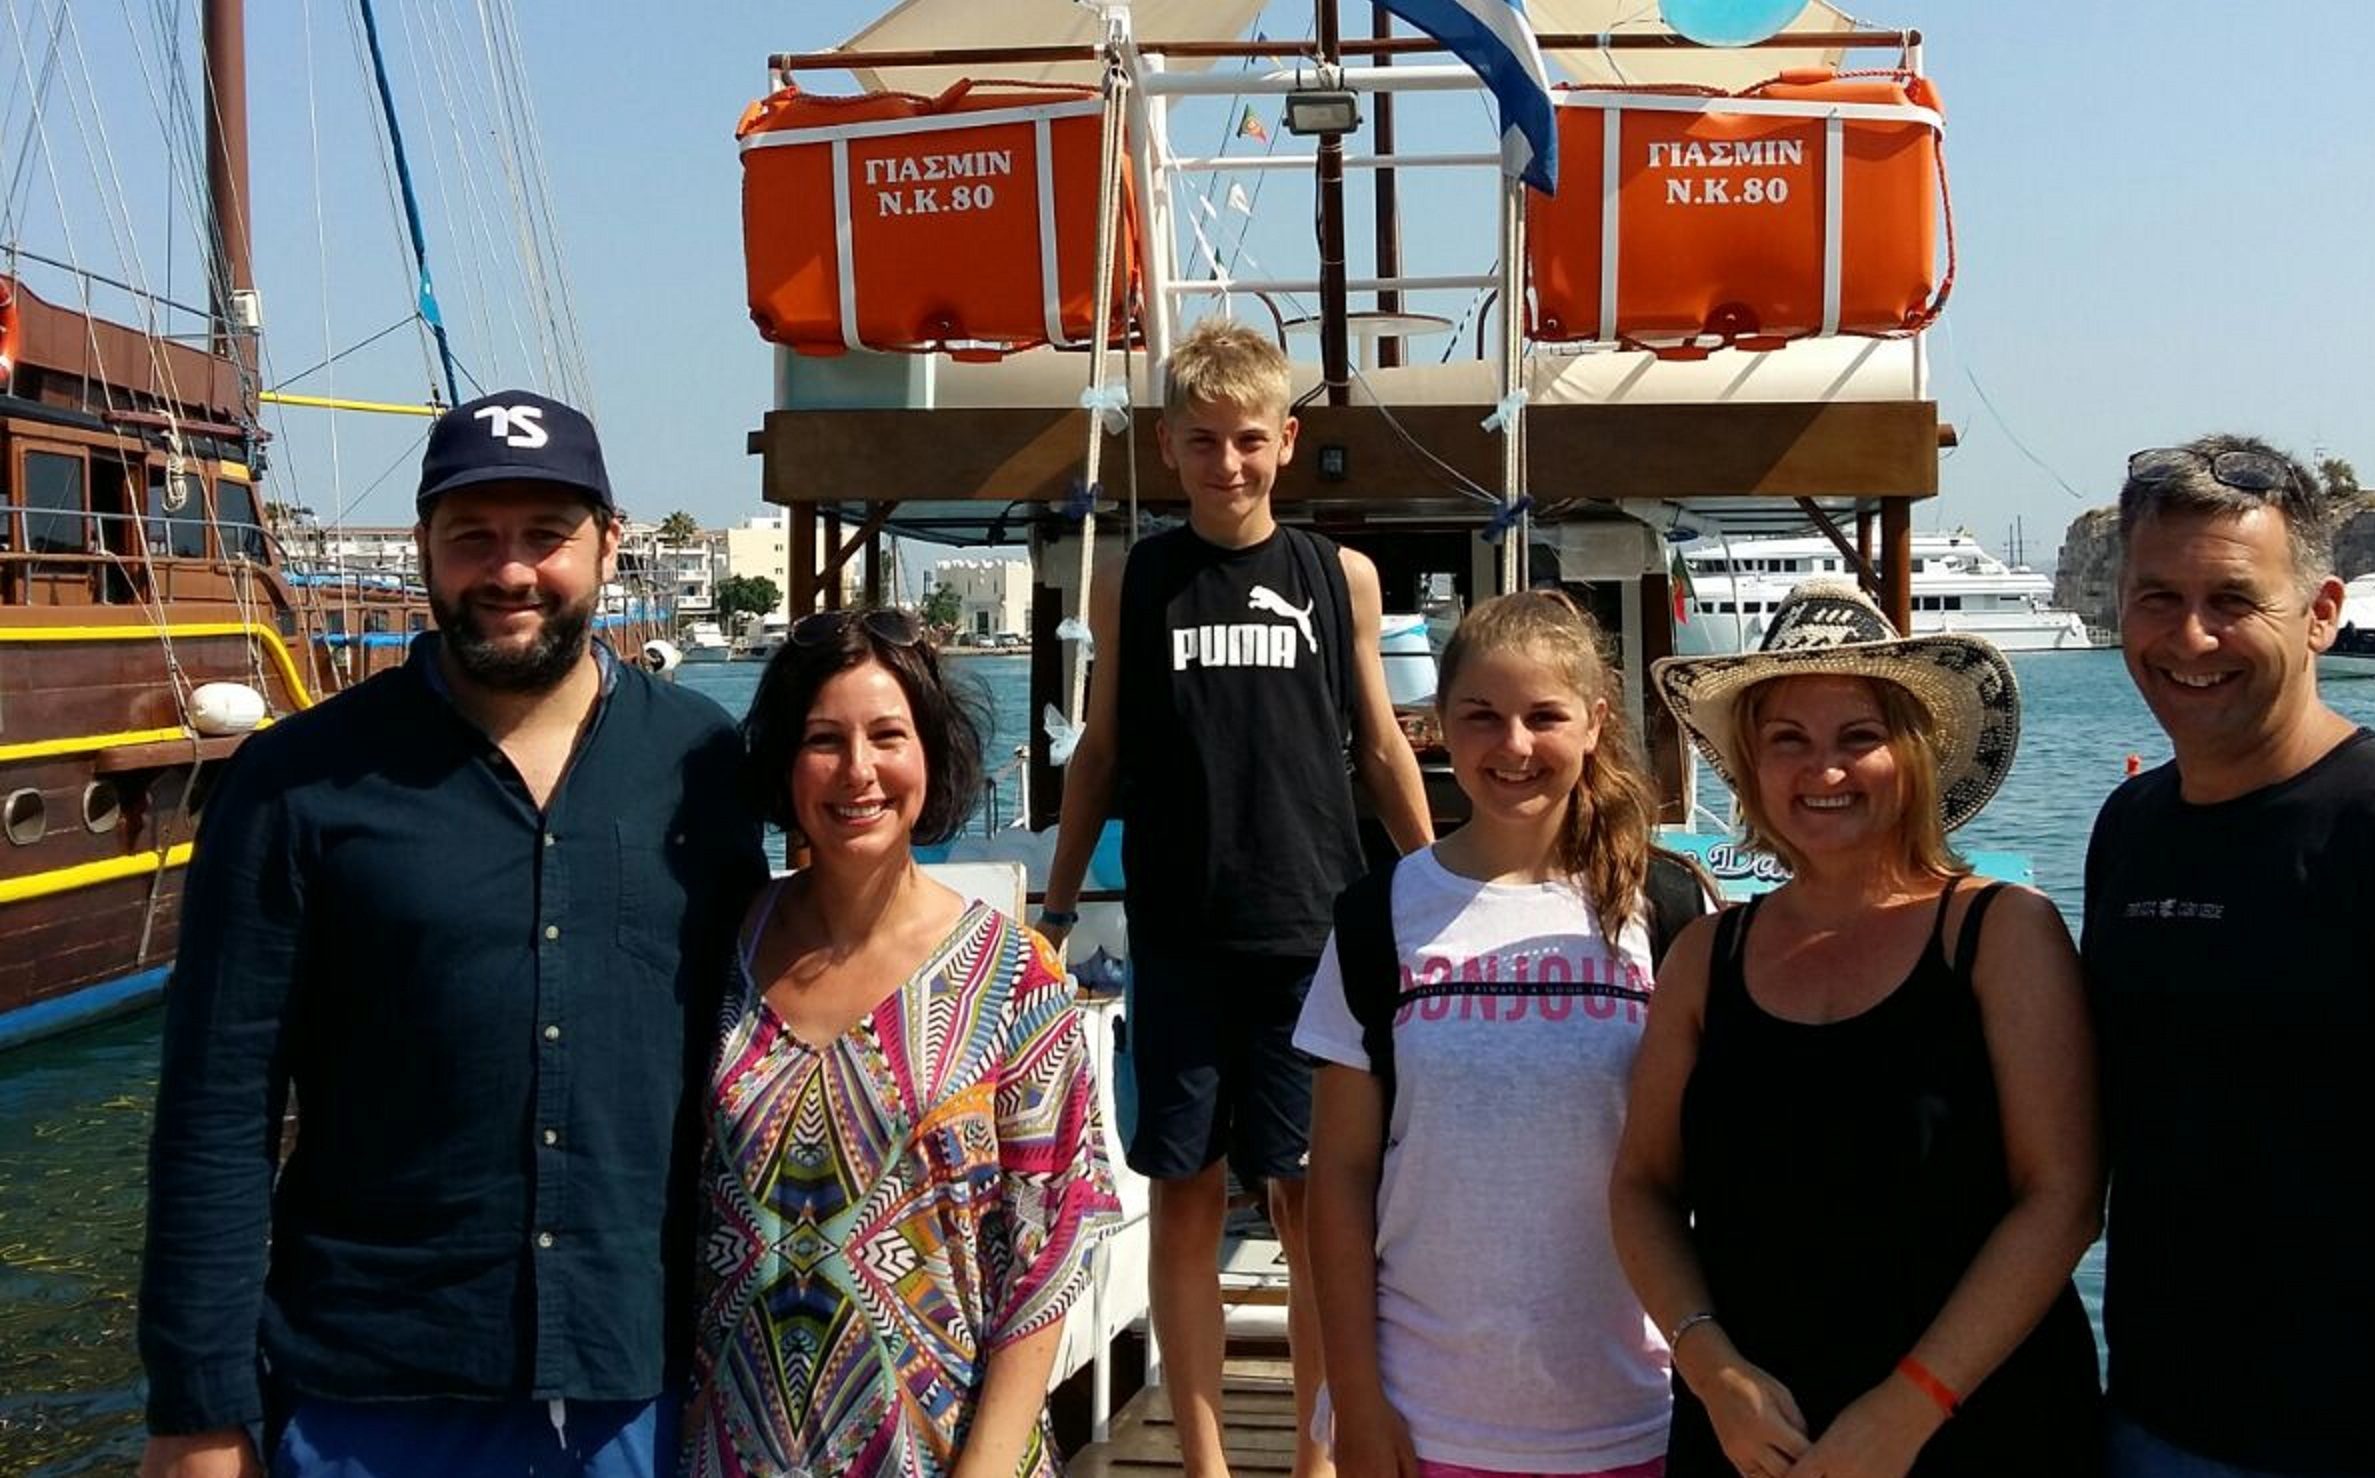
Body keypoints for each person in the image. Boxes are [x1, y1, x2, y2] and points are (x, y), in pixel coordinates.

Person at [138, 391, 767, 1478]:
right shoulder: (297, 786)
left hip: (640, 1378)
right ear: (424, 547)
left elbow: (759, 1047)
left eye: (545, 535)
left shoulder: (701, 766)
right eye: (472, 535)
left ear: (609, 544)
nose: (510, 570)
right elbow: (215, 1109)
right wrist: (198, 1407)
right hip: (370, 1393)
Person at [2085, 436, 2375, 1478]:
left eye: (2233, 599)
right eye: (2156, 596)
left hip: (2361, 1443)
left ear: (2321, 611)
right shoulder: (2130, 824)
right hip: (2147, 1420)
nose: (2190, 635)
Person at [1039, 319, 1434, 1477]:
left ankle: (1315, 1456)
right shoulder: (1136, 575)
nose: (1227, 462)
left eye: (1248, 440)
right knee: (1187, 1193)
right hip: (1178, 937)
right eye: (1202, 441)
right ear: (1167, 445)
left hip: (1312, 937)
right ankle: (1205, 1457)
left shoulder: (1335, 576)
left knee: (1311, 1205)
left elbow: (1380, 747)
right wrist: (1057, 905)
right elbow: (1100, 750)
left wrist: (1438, 883)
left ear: (1287, 441)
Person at [1615, 577, 2103, 1478]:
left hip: (1980, 1427)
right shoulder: (1705, 958)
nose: (1823, 770)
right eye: (1788, 741)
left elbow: (2064, 1196)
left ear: (1913, 755)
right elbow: (1642, 1188)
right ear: (1752, 766)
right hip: (1750, 1439)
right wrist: (1712, 1370)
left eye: (1859, 737)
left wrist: (1911, 1402)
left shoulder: (2001, 932)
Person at [688, 607, 1118, 1478]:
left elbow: (1047, 1259)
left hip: (943, 1451)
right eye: (822, 740)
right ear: (784, 762)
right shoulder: (715, 952)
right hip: (733, 1449)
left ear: (930, 753)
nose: (857, 772)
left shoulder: (1015, 982)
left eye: (888, 735)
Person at [1297, 591, 1710, 1478]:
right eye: (1481, 716)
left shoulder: (1667, 910)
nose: (1513, 746)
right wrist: (1357, 1402)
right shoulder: (1379, 916)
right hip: (1427, 1419)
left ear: (1596, 724)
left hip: (1634, 1415)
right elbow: (1338, 1178)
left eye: (1544, 717)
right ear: (1440, 724)